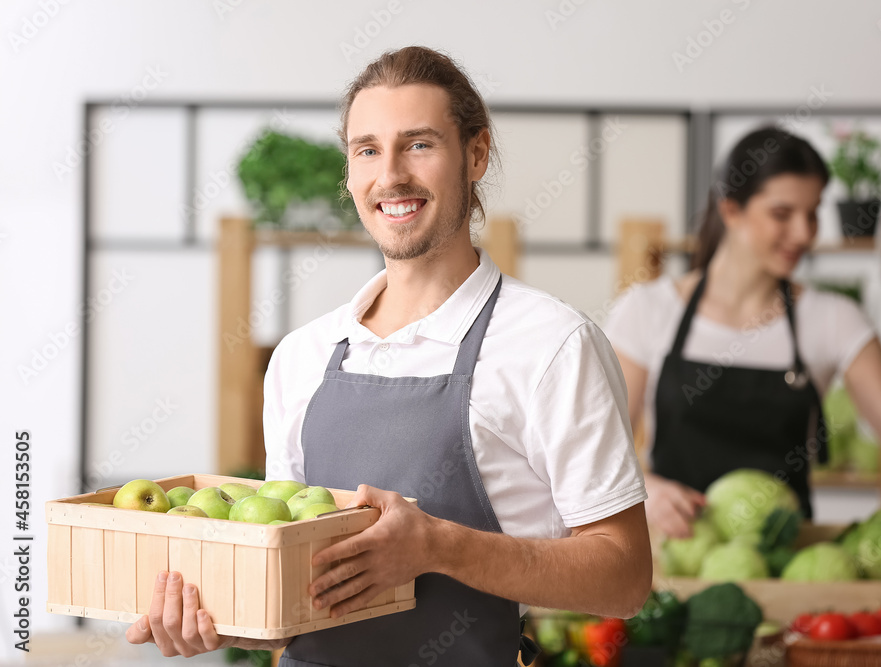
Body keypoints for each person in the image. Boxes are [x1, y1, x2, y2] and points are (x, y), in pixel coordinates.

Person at [127, 46, 651, 665]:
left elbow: (624, 577)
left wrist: (437, 547)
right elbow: (291, 599)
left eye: (419, 145)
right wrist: (225, 618)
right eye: (367, 150)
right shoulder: (303, 357)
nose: (391, 175)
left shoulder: (551, 344)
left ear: (476, 155)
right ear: (349, 172)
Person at [603, 126, 881, 540]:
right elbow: (601, 454)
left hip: (787, 567)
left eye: (813, 213)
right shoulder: (647, 311)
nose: (804, 234)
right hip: (672, 558)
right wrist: (647, 492)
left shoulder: (834, 319)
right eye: (782, 214)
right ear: (732, 211)